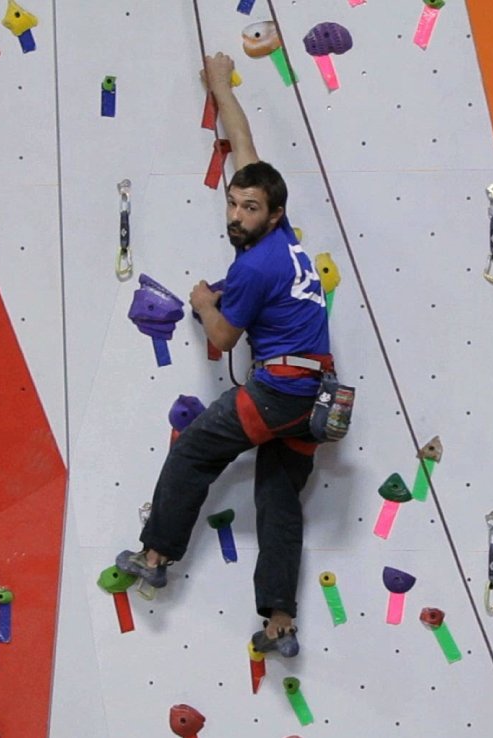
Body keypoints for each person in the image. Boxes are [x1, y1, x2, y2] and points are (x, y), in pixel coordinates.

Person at [115, 51, 332, 658]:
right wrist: (219, 88)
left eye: (249, 209)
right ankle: (280, 623)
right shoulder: (286, 243)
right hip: (315, 396)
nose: (236, 216)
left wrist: (203, 300)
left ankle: (155, 554)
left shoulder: (259, 264)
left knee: (194, 454)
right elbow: (244, 143)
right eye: (234, 205)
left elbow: (223, 339)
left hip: (281, 390)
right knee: (278, 500)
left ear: (275, 214)